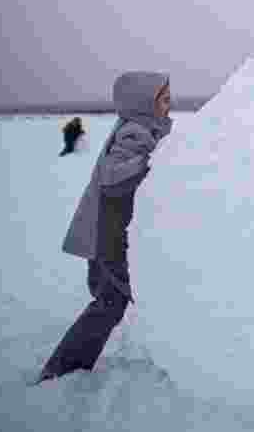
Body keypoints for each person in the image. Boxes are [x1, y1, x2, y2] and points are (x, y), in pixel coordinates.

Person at [38, 72, 173, 383]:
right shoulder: (136, 131)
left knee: (109, 302)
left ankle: (66, 366)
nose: (170, 104)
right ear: (143, 103)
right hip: (105, 237)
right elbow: (114, 177)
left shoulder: (142, 127)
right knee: (110, 303)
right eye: (163, 99)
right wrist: (153, 162)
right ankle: (61, 369)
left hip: (110, 236)